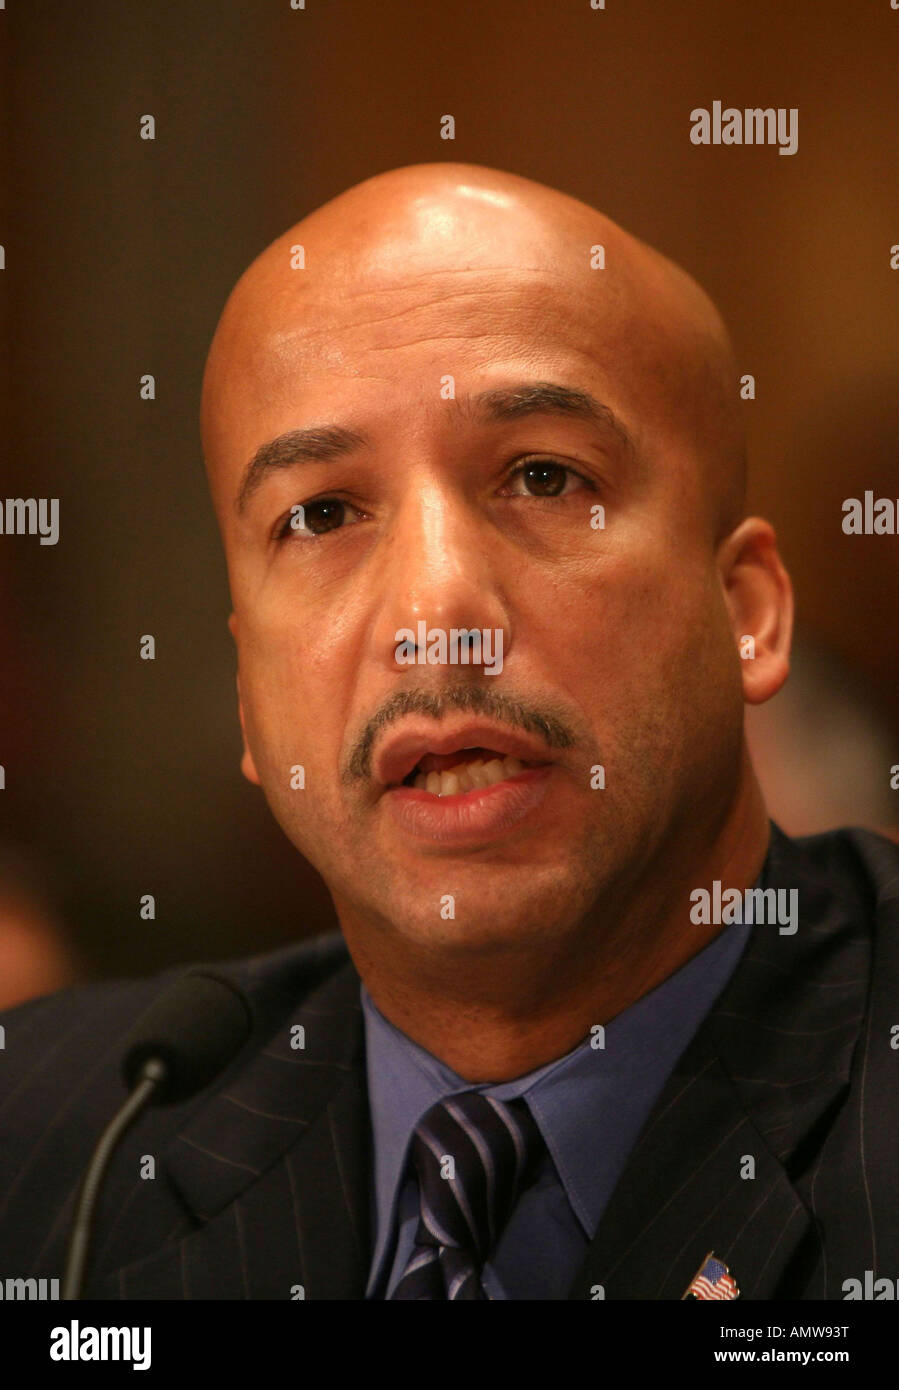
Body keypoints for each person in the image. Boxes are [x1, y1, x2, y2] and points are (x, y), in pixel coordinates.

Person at [1, 163, 896, 1301]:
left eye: (540, 475)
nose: (432, 617)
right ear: (245, 692)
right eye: (320, 513)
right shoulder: (47, 1152)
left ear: (744, 615)